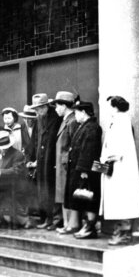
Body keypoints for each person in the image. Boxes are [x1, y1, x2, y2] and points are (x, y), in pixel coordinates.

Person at [100, 96, 139, 245]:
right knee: (119, 200)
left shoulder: (121, 121)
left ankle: (124, 233)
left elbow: (119, 148)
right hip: (117, 168)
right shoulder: (118, 121)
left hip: (121, 168)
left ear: (115, 107)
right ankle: (121, 231)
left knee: (122, 201)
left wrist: (106, 157)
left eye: (109, 106)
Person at [63, 101, 102, 239]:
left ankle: (90, 227)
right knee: (84, 198)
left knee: (89, 198)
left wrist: (84, 171)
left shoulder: (91, 127)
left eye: (77, 112)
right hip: (82, 170)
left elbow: (88, 151)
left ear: (84, 112)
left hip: (87, 171)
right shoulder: (86, 126)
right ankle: (87, 226)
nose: (76, 115)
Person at [0, 130, 32, 228]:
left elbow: (16, 171)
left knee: (6, 195)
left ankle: (23, 220)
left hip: (14, 185)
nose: (1, 150)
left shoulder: (17, 154)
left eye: (4, 148)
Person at [30, 93, 61, 230]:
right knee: (43, 190)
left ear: (46, 106)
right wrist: (35, 158)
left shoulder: (56, 117)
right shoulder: (39, 119)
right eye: (36, 109)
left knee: (51, 189)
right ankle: (46, 218)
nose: (37, 111)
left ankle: (54, 219)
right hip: (42, 160)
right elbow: (36, 141)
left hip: (52, 159)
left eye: (39, 108)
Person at [52, 92, 80, 234]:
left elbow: (74, 145)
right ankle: (67, 223)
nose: (56, 109)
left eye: (57, 106)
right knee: (63, 195)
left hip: (67, 166)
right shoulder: (66, 120)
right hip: (63, 165)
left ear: (64, 105)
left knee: (67, 195)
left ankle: (72, 224)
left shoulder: (72, 121)